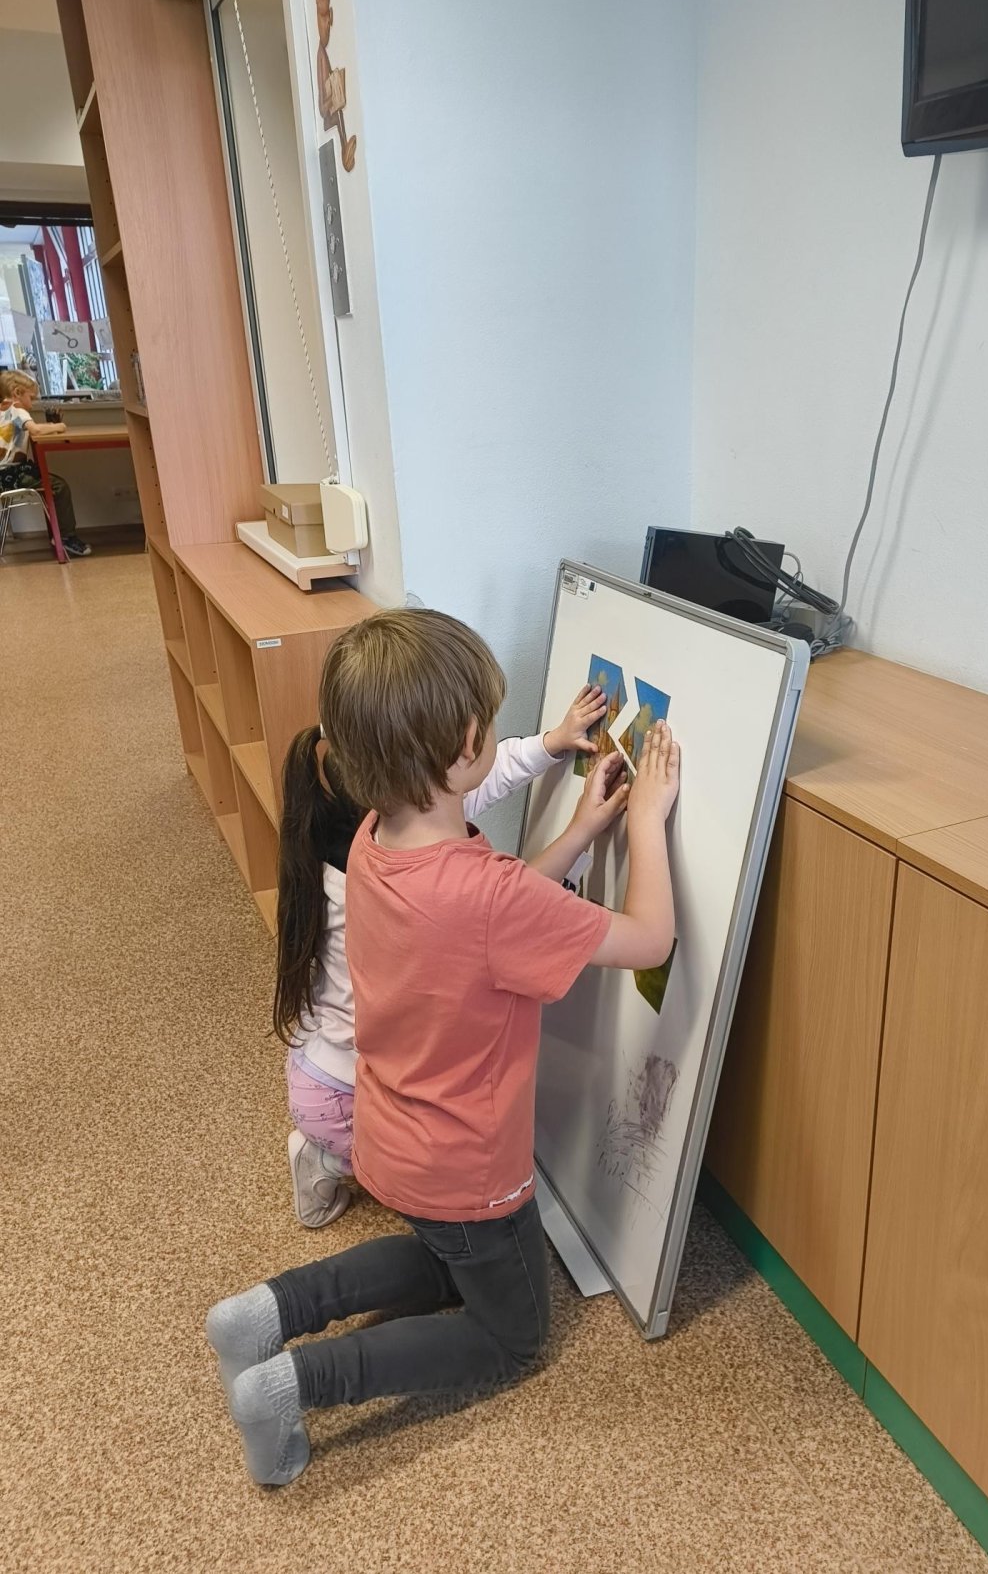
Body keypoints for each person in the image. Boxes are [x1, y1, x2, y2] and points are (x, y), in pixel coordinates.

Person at [207, 608, 679, 1486]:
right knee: (511, 1332)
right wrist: (646, 820)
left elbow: (490, 924)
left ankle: (264, 1312)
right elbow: (648, 937)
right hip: (470, 1170)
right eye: (489, 722)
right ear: (467, 744)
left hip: (395, 1141)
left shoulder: (371, 840)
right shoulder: (484, 892)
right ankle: (296, 1383)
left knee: (440, 1259)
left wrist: (580, 830)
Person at [273, 683, 609, 1228]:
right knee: (424, 1169)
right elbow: (497, 914)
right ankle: (330, 1158)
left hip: (315, 1069)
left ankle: (330, 1146)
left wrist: (552, 743)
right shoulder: (396, 892)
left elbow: (480, 783)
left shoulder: (370, 841)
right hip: (346, 1097)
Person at [0, 369, 90, 557]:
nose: (32, 404)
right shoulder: (17, 411)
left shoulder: (2, 410)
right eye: (31, 398)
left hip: (3, 476)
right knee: (58, 486)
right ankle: (66, 537)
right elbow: (36, 431)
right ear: (17, 393)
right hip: (12, 475)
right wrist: (59, 427)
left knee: (47, 480)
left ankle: (61, 535)